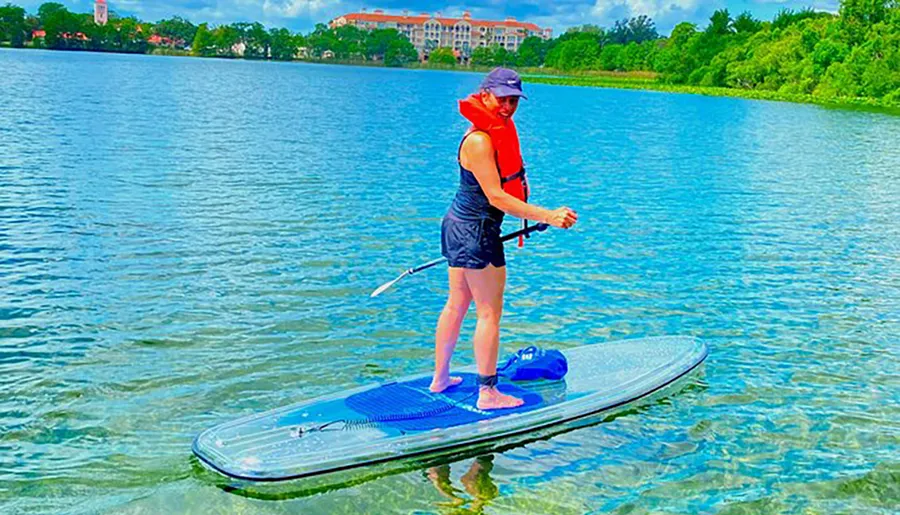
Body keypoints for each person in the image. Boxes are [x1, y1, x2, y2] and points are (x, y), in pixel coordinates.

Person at [430, 68, 578, 410]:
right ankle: (488, 393)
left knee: (457, 304)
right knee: (488, 313)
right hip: (476, 231)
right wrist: (548, 215)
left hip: (459, 227)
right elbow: (496, 197)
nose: (508, 107)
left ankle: (440, 380)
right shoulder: (480, 141)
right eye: (502, 99)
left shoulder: (485, 133)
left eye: (513, 101)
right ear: (484, 96)